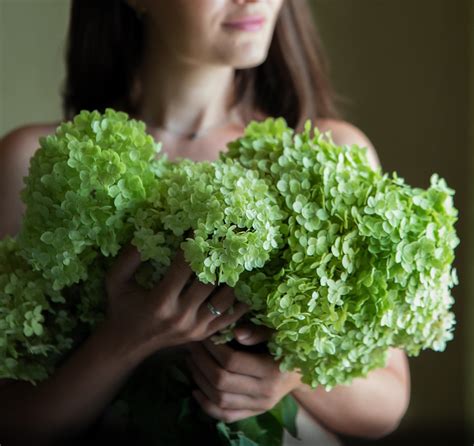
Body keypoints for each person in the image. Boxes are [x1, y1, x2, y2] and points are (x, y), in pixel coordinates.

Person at [0, 0, 411, 444]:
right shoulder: (38, 165)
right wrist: (122, 342)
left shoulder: (329, 158)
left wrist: (293, 378)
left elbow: (387, 403)